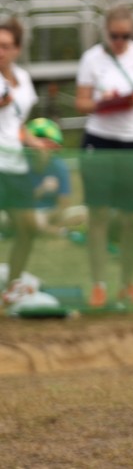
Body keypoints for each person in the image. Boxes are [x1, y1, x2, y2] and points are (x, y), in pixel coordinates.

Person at [74, 4, 133, 308]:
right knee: (97, 215)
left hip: (132, 141)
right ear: (106, 33)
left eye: (125, 36)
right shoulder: (92, 59)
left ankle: (128, 283)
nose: (120, 41)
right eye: (115, 36)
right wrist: (102, 100)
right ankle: (98, 284)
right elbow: (81, 103)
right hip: (99, 139)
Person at [0, 20, 42, 305]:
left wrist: (34, 141)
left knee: (28, 227)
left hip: (16, 164)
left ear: (17, 49)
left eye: (5, 46)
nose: (0, 51)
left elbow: (19, 124)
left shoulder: (24, 79)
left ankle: (11, 288)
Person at [24, 118, 73, 237]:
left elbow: (64, 203)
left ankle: (47, 228)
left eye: (47, 144)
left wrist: (55, 215)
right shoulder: (21, 166)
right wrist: (42, 189)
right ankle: (59, 232)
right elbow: (20, 202)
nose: (42, 149)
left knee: (83, 213)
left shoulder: (59, 166)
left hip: (51, 211)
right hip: (25, 211)